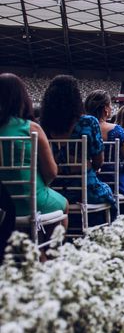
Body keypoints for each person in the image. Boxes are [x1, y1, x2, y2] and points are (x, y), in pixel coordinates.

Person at [0, 73, 68, 228]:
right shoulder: (31, 128)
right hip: (28, 201)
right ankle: (47, 249)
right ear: (21, 99)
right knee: (64, 205)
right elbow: (51, 172)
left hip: (1, 205)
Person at [40, 75, 114, 209]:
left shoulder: (43, 125)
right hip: (84, 188)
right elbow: (98, 162)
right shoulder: (89, 122)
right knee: (108, 193)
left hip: (54, 188)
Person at [84, 90, 124, 205]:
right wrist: (120, 169)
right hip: (114, 179)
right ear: (105, 109)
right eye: (110, 105)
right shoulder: (117, 130)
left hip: (86, 178)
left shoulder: (81, 130)